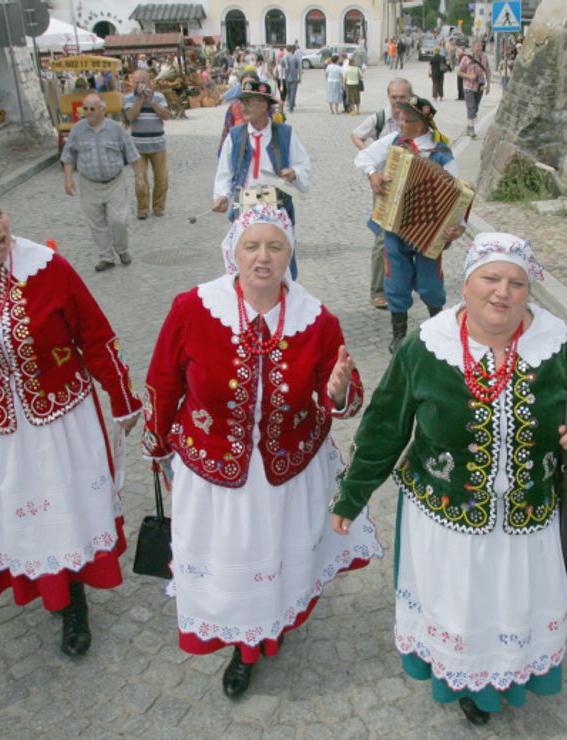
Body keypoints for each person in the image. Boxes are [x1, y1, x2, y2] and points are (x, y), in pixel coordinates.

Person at [332, 234, 567, 726]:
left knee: (515, 611)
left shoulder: (561, 346)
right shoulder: (426, 348)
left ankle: (512, 674)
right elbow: (384, 427)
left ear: (530, 291)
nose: (502, 293)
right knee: (463, 613)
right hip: (447, 525)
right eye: (491, 278)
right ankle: (468, 685)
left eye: (516, 283)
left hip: (529, 521)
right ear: (467, 284)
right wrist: (351, 497)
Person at [143, 204, 381, 700]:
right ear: (233, 250)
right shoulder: (193, 308)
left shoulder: (316, 320)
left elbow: (345, 394)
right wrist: (157, 444)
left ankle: (271, 627)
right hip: (213, 470)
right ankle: (242, 646)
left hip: (288, 471)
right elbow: (164, 382)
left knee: (276, 555)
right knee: (232, 559)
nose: (263, 257)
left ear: (289, 254)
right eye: (252, 245)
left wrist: (337, 393)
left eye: (275, 246)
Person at [0, 171, 142, 656]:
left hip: (61, 423)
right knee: (22, 518)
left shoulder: (45, 267)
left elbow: (94, 334)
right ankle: (44, 588)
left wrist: (121, 396)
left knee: (64, 512)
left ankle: (71, 602)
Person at [355, 96, 464, 352]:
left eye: (405, 120)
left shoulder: (441, 153)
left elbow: (458, 196)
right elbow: (363, 158)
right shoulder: (393, 142)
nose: (400, 123)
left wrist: (456, 227)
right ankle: (399, 335)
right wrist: (373, 173)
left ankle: (437, 329)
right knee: (396, 280)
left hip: (429, 231)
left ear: (421, 124)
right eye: (400, 118)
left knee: (431, 284)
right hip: (395, 226)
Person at [213, 80, 311, 278]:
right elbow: (224, 173)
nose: (243, 106)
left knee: (278, 257)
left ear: (264, 105)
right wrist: (222, 195)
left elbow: (304, 165)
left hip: (278, 207)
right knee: (244, 257)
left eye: (250, 102)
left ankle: (283, 298)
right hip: (245, 207)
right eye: (242, 102)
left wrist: (293, 173)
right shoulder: (235, 136)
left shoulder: (285, 133)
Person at [60, 93, 146, 272]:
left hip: (114, 182)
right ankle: (106, 257)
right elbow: (68, 156)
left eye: (92, 109)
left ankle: (122, 249)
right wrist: (68, 179)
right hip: (89, 183)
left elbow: (132, 153)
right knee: (96, 222)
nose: (88, 112)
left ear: (102, 110)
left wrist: (139, 176)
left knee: (118, 220)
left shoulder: (116, 129)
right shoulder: (77, 130)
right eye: (86, 109)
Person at [351, 78, 413, 311]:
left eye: (403, 97)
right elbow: (356, 134)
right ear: (388, 96)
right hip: (384, 186)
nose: (398, 101)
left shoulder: (417, 118)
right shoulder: (379, 118)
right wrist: (369, 157)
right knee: (382, 238)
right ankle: (378, 290)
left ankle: (401, 284)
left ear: (410, 97)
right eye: (394, 97)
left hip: (411, 186)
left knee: (408, 237)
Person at [124, 69, 171, 220]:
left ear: (148, 82)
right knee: (141, 179)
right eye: (136, 82)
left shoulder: (159, 97)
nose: (139, 85)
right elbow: (130, 116)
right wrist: (139, 99)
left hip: (158, 144)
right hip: (138, 147)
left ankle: (158, 207)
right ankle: (142, 209)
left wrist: (151, 101)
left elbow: (166, 115)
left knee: (161, 178)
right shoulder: (129, 99)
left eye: (141, 82)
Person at [457, 40, 491, 139]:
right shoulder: (466, 58)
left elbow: (488, 72)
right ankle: (471, 129)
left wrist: (488, 85)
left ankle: (468, 126)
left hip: (480, 86)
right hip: (468, 86)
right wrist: (468, 75)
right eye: (477, 46)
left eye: (481, 45)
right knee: (471, 107)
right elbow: (458, 72)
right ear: (473, 47)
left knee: (475, 108)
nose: (479, 47)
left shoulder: (484, 57)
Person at [279, 44, 301, 113]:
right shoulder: (295, 58)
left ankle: (290, 105)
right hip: (294, 78)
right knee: (293, 93)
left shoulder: (283, 58)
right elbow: (299, 69)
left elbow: (281, 69)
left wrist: (281, 78)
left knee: (288, 93)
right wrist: (300, 77)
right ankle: (291, 107)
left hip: (286, 78)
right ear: (292, 50)